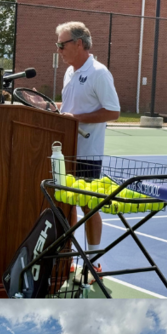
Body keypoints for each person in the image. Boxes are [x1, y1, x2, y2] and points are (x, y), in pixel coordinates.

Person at [56, 21, 120, 279]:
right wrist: (56, 110)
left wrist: (76, 118)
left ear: (79, 43)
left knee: (88, 208)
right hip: (66, 153)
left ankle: (94, 263)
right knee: (68, 207)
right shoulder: (69, 72)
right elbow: (71, 107)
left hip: (87, 154)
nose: (59, 49)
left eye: (62, 44)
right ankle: (71, 258)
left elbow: (113, 111)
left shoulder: (99, 73)